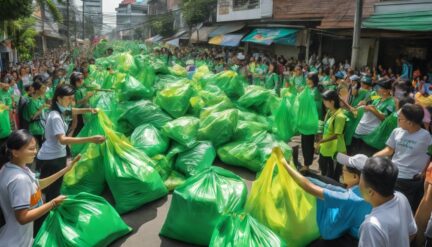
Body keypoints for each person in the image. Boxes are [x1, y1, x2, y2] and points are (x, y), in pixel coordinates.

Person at [0, 130, 81, 246]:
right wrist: (53, 203)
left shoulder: (13, 168)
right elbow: (23, 217)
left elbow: (37, 184)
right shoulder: (19, 179)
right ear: (15, 152)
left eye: (36, 147)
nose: (35, 152)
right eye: (31, 149)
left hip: (16, 237)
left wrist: (65, 170)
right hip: (17, 242)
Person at [281, 151, 371, 246]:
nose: (341, 174)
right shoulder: (368, 192)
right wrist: (308, 178)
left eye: (343, 171)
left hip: (350, 240)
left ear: (355, 177)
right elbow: (329, 187)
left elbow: (310, 188)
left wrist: (286, 166)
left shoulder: (350, 198)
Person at [36, 84, 105, 203]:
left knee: (54, 189)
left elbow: (73, 110)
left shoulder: (60, 110)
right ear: (59, 98)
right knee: (52, 192)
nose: (71, 101)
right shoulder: (56, 116)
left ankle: (50, 213)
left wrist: (89, 109)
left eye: (72, 98)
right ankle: (48, 217)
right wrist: (91, 138)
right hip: (52, 158)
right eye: (68, 98)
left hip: (56, 155)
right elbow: (63, 139)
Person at [374, 103, 432, 212]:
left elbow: (430, 156)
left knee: (404, 209)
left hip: (411, 180)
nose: (397, 120)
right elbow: (389, 150)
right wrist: (373, 157)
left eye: (400, 119)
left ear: (410, 123)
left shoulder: (426, 137)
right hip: (393, 175)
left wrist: (424, 172)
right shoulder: (397, 132)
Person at [358, 157, 417, 246]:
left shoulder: (371, 226)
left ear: (370, 192)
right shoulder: (401, 198)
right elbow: (412, 232)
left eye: (360, 180)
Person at [353, 79, 396, 156]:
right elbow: (368, 99)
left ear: (387, 91)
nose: (376, 89)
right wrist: (364, 103)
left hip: (373, 134)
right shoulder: (377, 96)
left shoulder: (391, 103)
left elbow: (385, 119)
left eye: (378, 88)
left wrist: (373, 110)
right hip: (363, 129)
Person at [316, 90, 347, 180]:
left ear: (332, 102)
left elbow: (337, 135)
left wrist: (321, 141)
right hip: (327, 148)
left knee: (332, 176)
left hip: (334, 151)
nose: (323, 102)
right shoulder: (331, 112)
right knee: (325, 171)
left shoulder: (340, 116)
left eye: (325, 100)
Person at [23, 82, 49, 148]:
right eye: (43, 88)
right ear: (37, 90)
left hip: (42, 128)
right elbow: (32, 117)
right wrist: (41, 109)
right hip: (35, 130)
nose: (45, 89)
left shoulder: (40, 100)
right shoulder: (31, 102)